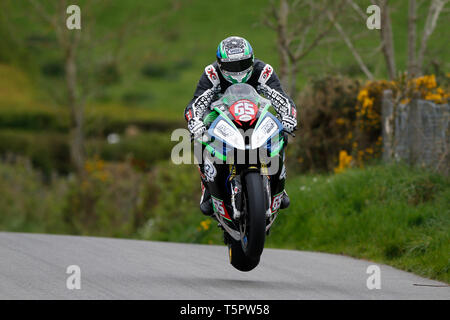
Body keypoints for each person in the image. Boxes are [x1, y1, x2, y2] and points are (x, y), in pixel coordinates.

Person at [184, 36, 297, 215]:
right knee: (201, 137)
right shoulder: (211, 73)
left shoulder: (263, 70)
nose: (237, 71)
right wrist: (195, 122)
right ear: (220, 64)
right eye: (231, 66)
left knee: (280, 131)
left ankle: (279, 184)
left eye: (243, 64)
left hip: (255, 111)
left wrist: (288, 116)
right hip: (219, 114)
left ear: (251, 60)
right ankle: (207, 186)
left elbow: (281, 98)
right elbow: (197, 103)